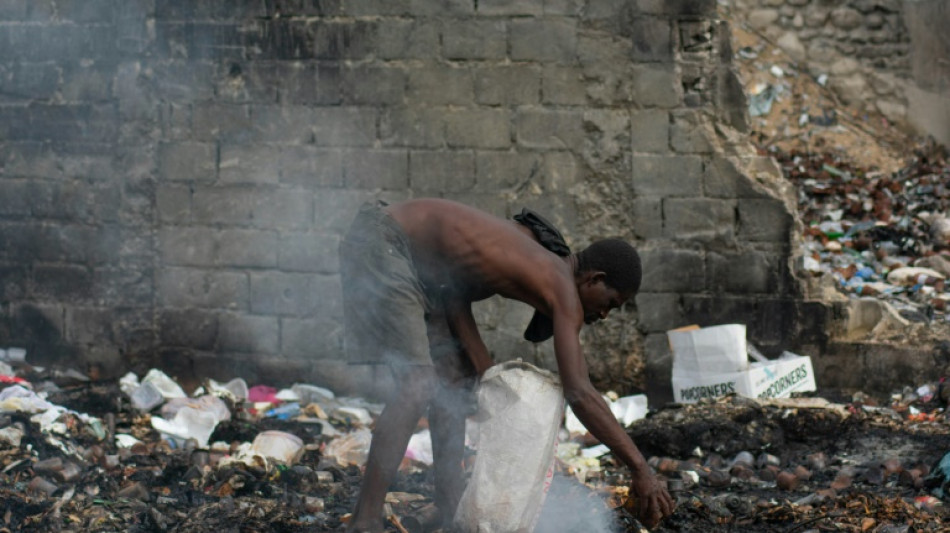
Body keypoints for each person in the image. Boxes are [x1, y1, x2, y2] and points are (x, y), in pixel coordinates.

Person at [339, 198, 675, 532]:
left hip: (413, 262)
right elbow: (580, 392)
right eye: (610, 304)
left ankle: (449, 504)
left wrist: (485, 370)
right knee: (417, 384)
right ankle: (364, 520)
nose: (603, 315)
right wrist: (639, 469)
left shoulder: (531, 251)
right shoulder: (563, 290)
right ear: (593, 279)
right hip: (386, 242)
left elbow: (455, 292)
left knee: (453, 380)